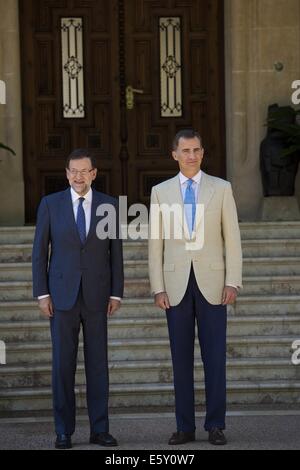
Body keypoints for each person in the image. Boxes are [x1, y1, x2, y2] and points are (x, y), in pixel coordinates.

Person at [148, 129, 242, 446]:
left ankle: (215, 425)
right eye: (185, 150)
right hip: (175, 285)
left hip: (214, 283)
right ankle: (185, 427)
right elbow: (155, 245)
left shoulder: (222, 189)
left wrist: (232, 281)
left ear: (203, 153)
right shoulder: (160, 192)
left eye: (196, 150)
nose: (191, 156)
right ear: (174, 154)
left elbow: (233, 239)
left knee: (215, 357)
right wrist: (157, 287)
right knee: (180, 359)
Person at [32, 149, 124, 449]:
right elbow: (39, 253)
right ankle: (63, 431)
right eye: (73, 170)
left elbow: (116, 254)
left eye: (84, 171)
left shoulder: (109, 206)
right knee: (63, 366)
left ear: (94, 174)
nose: (78, 176)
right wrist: (42, 293)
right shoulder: (50, 205)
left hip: (97, 296)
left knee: (98, 366)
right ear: (67, 173)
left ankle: (100, 430)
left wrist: (116, 292)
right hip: (61, 297)